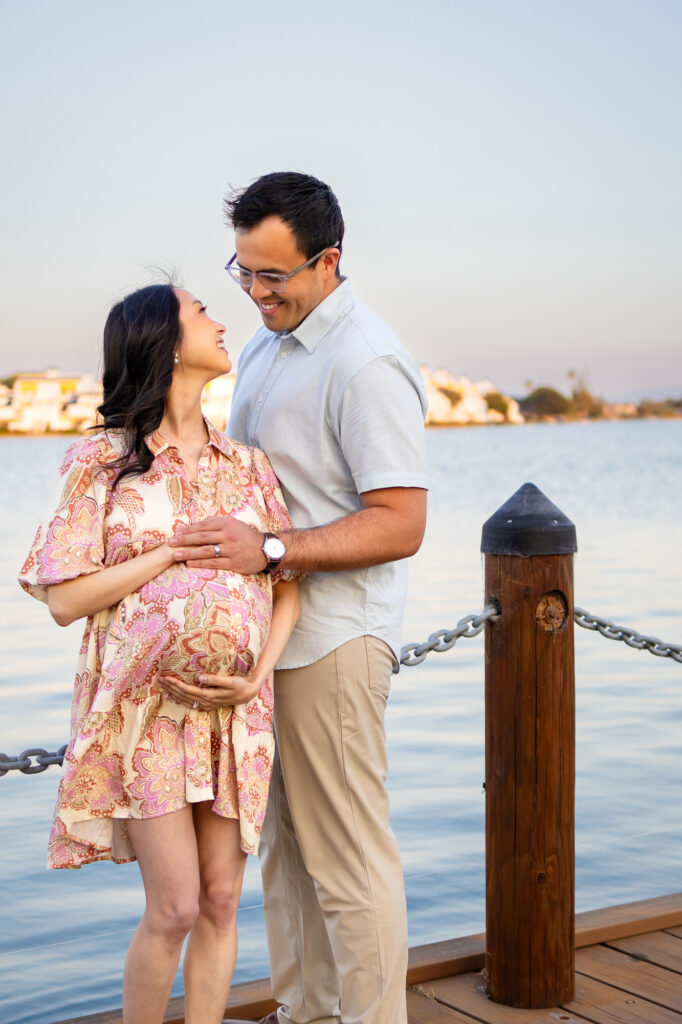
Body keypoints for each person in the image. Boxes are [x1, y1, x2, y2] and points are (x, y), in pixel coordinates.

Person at [166, 172, 429, 1024]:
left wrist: (274, 550)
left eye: (273, 276)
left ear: (329, 262)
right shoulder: (273, 346)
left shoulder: (367, 362)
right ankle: (306, 1013)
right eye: (244, 272)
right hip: (267, 649)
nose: (255, 293)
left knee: (348, 860)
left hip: (333, 643)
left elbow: (401, 522)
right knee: (282, 853)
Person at [18, 283, 301, 1024]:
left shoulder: (248, 467)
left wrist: (257, 679)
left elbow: (289, 584)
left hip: (233, 716)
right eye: (203, 311)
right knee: (173, 907)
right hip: (142, 720)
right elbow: (64, 600)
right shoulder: (100, 464)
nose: (221, 320)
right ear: (168, 343)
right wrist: (168, 554)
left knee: (218, 902)